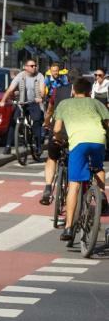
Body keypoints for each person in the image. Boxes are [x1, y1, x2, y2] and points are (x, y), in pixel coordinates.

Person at [52, 78, 109, 241]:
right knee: (98, 167)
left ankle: (69, 228)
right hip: (98, 140)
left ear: (73, 91)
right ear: (90, 92)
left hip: (78, 142)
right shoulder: (97, 103)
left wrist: (59, 139)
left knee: (74, 185)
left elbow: (57, 129)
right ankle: (102, 194)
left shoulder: (64, 104)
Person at [39, 69, 76, 205]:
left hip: (58, 131)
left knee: (52, 157)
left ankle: (48, 188)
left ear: (67, 78)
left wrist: (46, 122)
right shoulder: (85, 94)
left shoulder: (58, 91)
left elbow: (50, 109)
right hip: (74, 133)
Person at [0, 59, 45, 156]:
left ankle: (38, 146)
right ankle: (8, 146)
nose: (34, 67)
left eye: (35, 65)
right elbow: (10, 89)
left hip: (34, 102)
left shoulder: (39, 76)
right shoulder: (20, 76)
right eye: (32, 66)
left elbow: (42, 89)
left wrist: (41, 96)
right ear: (26, 67)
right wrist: (3, 101)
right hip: (22, 103)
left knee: (37, 122)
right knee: (13, 121)